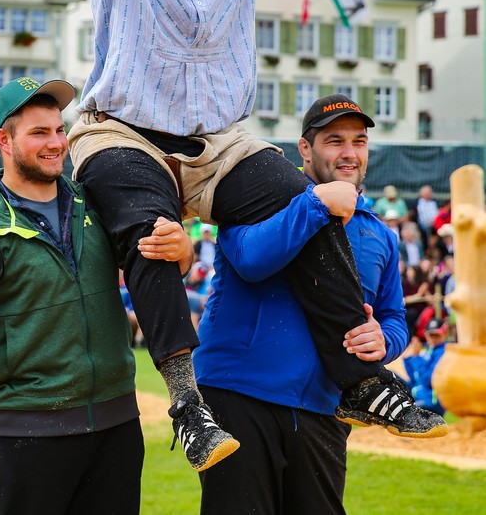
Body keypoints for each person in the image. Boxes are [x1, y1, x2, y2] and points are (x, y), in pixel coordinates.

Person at [8, 0, 428, 471]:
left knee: (303, 197)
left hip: (221, 141)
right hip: (123, 132)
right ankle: (186, 402)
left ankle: (355, 378)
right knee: (151, 228)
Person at [0, 77, 182, 515]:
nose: (56, 143)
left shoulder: (94, 202)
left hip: (118, 429)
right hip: (25, 435)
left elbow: (153, 266)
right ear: (4, 141)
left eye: (59, 130)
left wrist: (181, 249)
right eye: (39, 133)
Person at [191, 95, 447, 515]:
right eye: (334, 141)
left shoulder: (380, 234)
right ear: (305, 149)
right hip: (238, 394)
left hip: (325, 407)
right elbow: (252, 261)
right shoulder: (257, 200)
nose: (349, 153)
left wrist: (383, 339)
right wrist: (316, 205)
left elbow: (394, 318)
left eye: (359, 141)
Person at [402, 318, 449, 415]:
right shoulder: (428, 350)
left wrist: (416, 357)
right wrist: (408, 359)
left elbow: (428, 381)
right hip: (420, 397)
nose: (433, 338)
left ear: (444, 333)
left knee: (405, 412)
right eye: (430, 335)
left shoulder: (444, 352)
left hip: (432, 403)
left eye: (437, 335)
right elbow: (414, 379)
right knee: (392, 378)